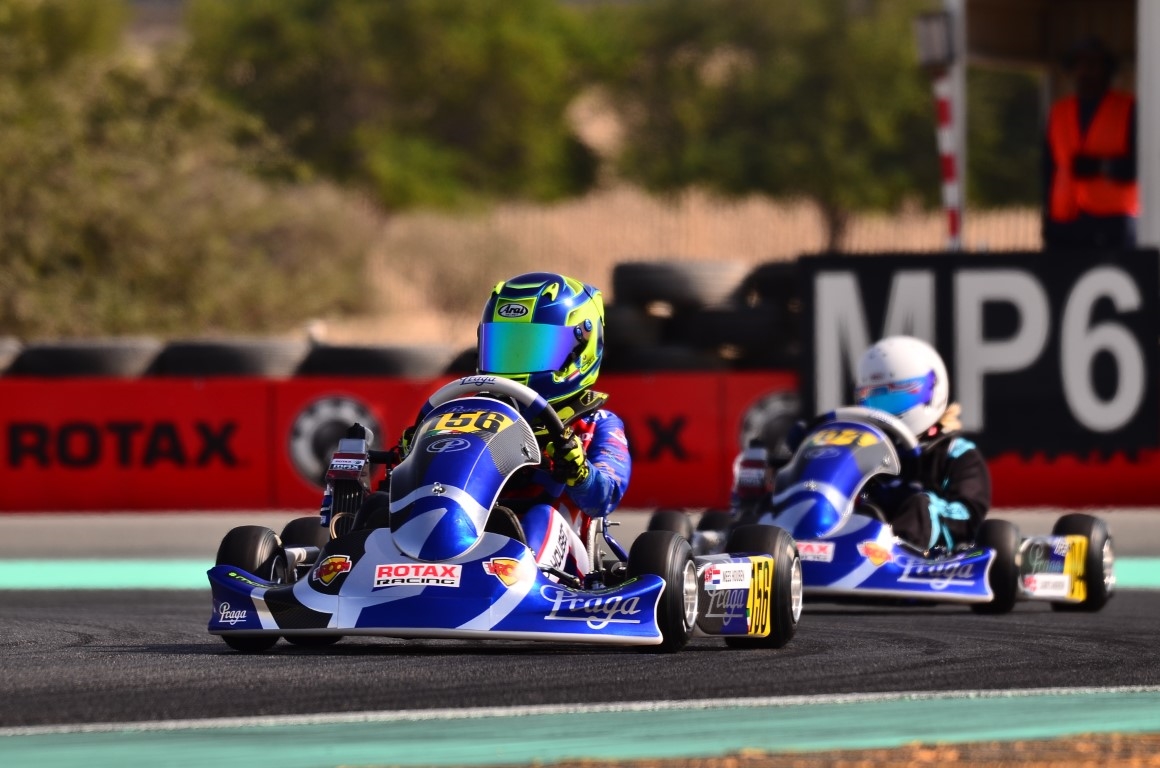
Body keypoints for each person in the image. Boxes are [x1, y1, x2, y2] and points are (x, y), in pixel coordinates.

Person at [853, 335, 991, 553]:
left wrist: (927, 506)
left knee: (921, 505)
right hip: (863, 545)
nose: (886, 412)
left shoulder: (957, 454)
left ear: (932, 391)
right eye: (876, 400)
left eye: (897, 398)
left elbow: (968, 516)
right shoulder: (866, 453)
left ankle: (896, 552)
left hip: (928, 557)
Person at [1043, 36, 1138, 251]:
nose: (1085, 71)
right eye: (1080, 64)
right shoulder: (1058, 113)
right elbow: (1049, 169)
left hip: (1114, 220)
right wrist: (1047, 216)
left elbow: (1143, 166)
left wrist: (1102, 166)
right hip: (1065, 219)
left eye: (1094, 64)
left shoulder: (1128, 109)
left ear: (1107, 70)